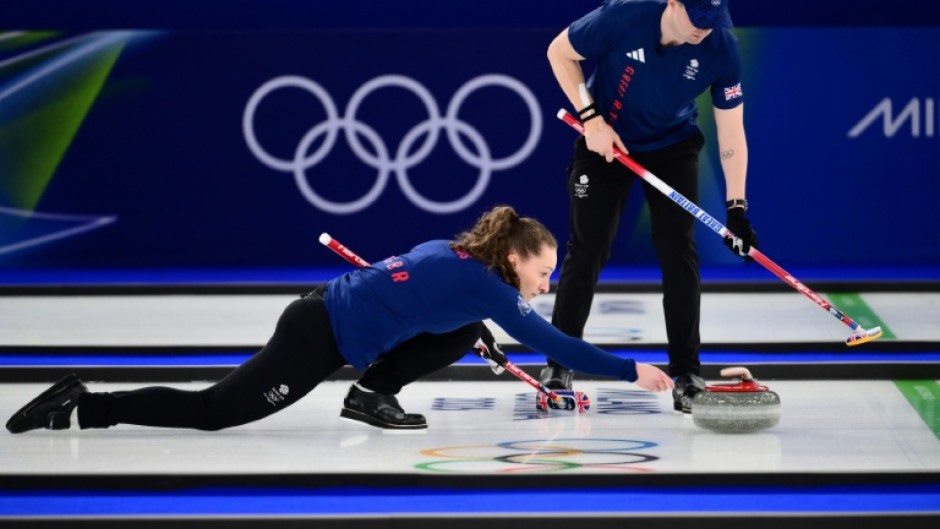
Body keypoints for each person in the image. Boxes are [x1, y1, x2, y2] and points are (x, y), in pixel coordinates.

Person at [6, 205, 675, 435]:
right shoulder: (489, 288)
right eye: (543, 271)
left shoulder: (462, 258)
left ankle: (371, 390)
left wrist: (473, 332)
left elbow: (436, 308)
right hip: (318, 336)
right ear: (512, 257)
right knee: (214, 411)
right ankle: (85, 405)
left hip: (323, 312)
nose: (546, 282)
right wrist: (631, 369)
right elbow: (553, 340)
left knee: (469, 330)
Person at [542, 0, 760, 413]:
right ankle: (560, 363)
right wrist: (591, 119)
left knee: (678, 251)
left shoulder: (722, 48)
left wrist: (736, 209)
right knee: (586, 251)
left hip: (673, 146)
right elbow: (559, 51)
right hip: (606, 141)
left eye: (713, 22)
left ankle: (687, 373)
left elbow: (732, 134)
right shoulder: (622, 17)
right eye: (698, 19)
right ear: (673, 3)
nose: (704, 29)